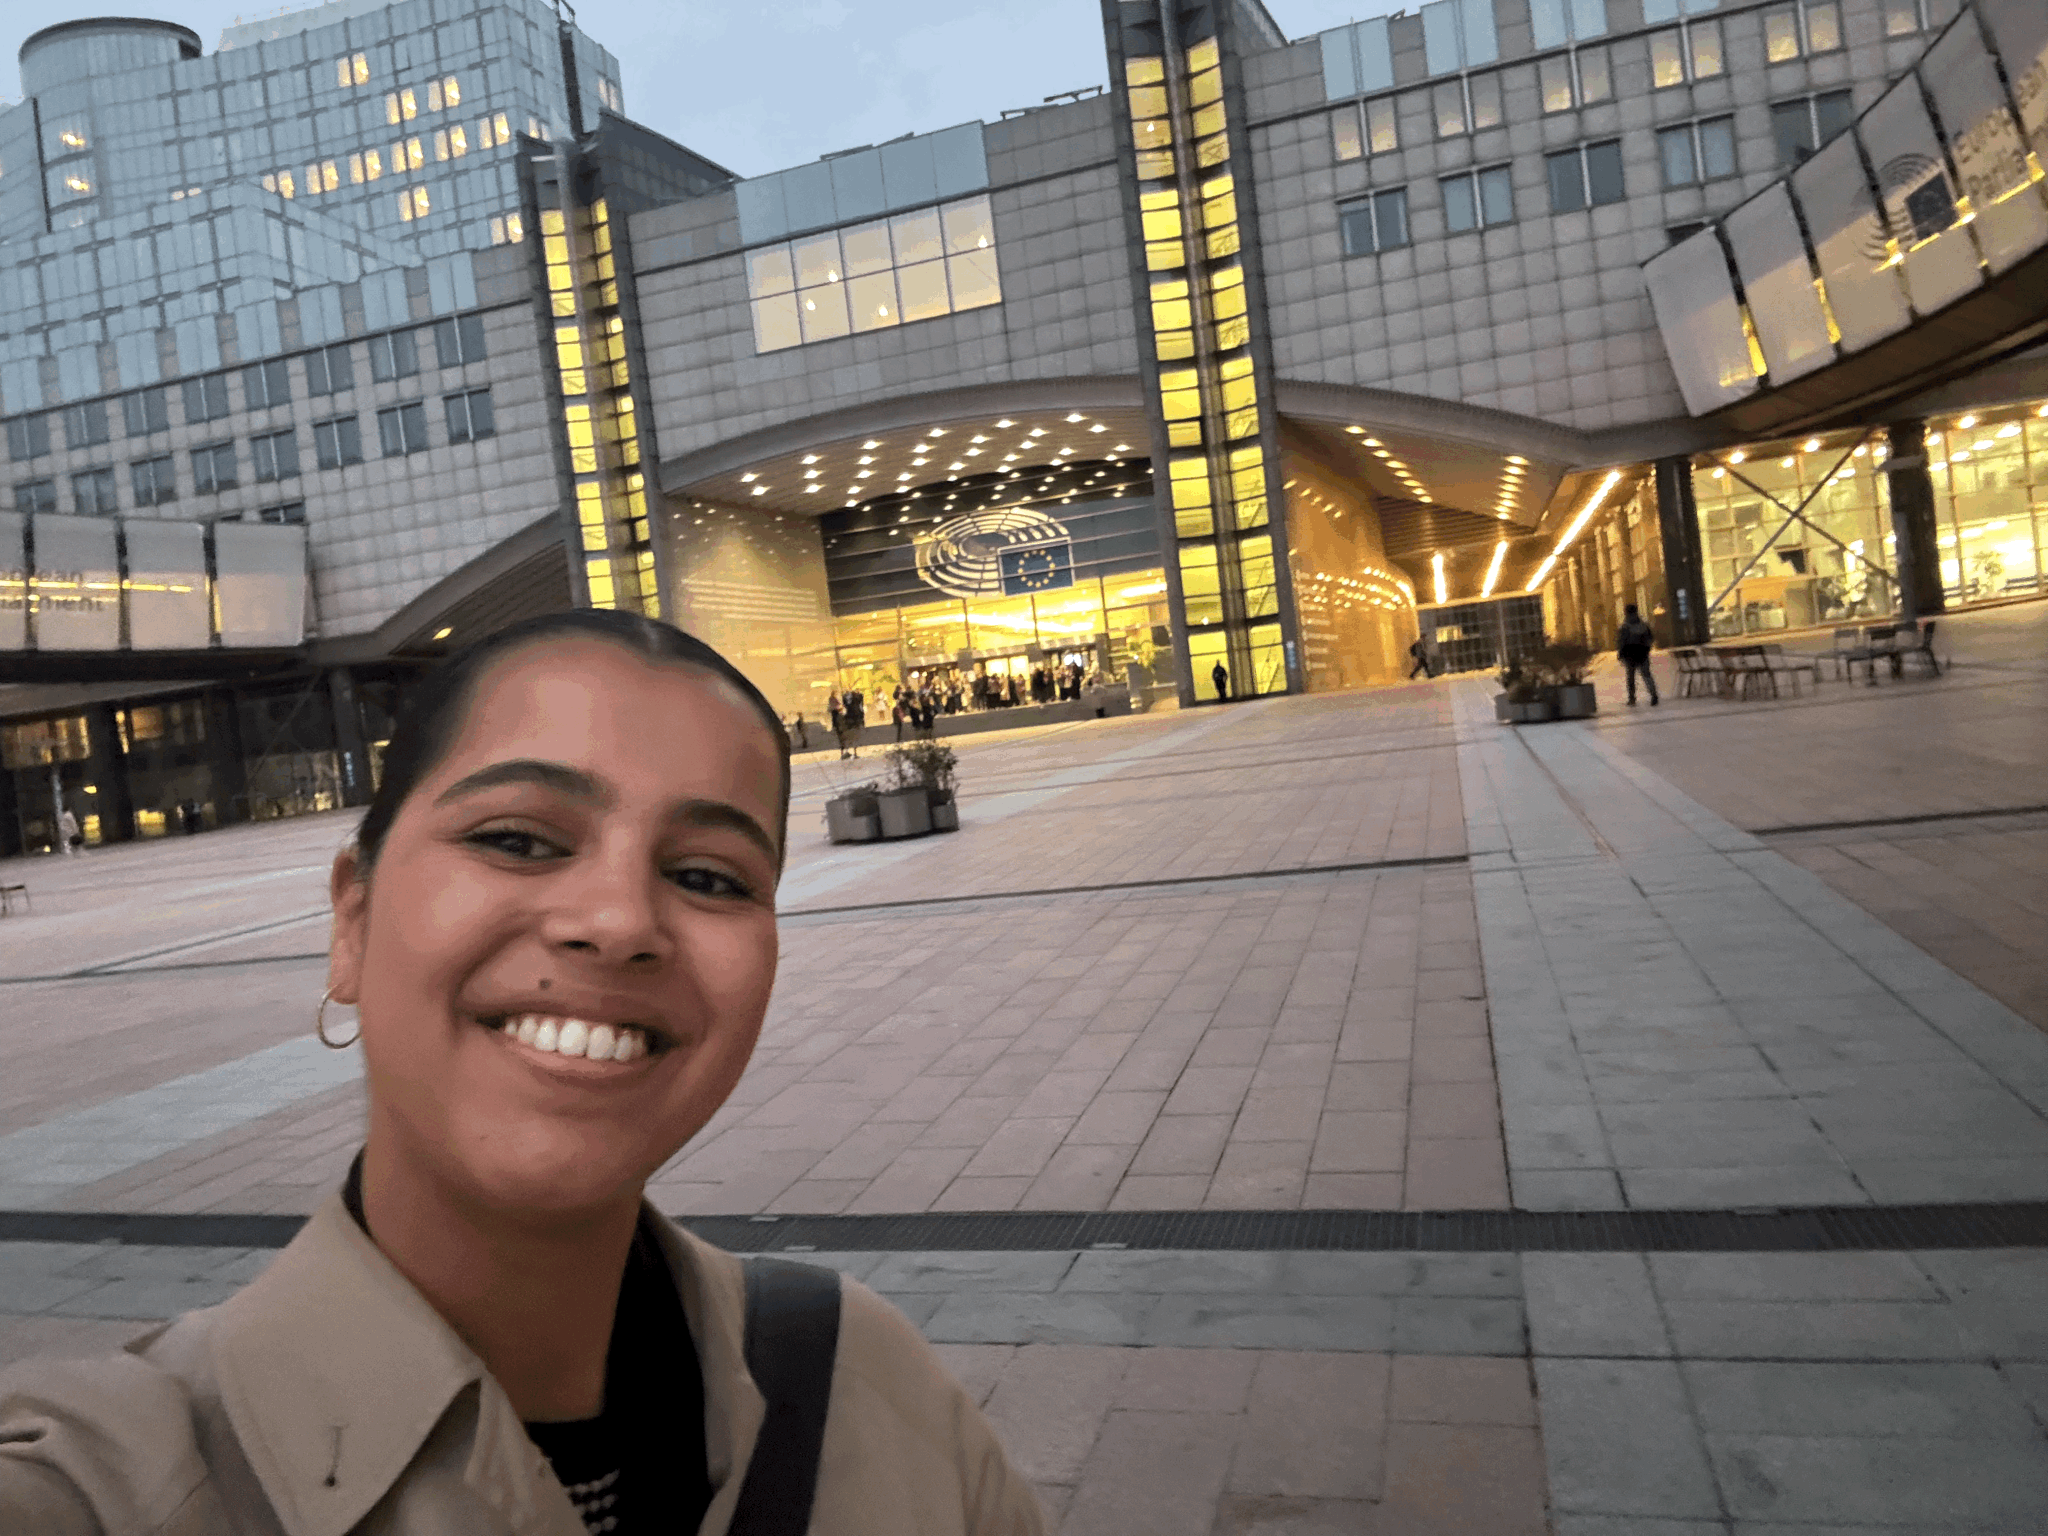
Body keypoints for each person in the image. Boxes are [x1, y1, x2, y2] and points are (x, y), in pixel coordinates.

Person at [0, 610, 1043, 1535]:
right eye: (517, 839)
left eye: (704, 876)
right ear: (352, 921)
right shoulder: (112, 1477)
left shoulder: (874, 1391)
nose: (619, 922)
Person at [1617, 602, 1660, 706]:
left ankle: (1632, 698)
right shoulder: (1643, 624)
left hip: (1630, 654)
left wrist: (1620, 653)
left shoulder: (1625, 626)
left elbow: (1622, 641)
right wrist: (1647, 648)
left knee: (1631, 677)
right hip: (1642, 653)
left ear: (1626, 612)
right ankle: (1653, 694)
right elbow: (1650, 638)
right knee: (1646, 675)